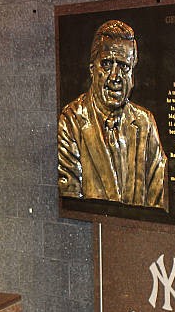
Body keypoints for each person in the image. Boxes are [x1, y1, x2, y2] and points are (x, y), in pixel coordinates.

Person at [57, 19, 167, 210]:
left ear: (132, 73)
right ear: (93, 69)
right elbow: (70, 196)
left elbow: (158, 196)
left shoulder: (145, 122)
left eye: (124, 66)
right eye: (107, 64)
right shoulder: (71, 121)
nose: (115, 76)